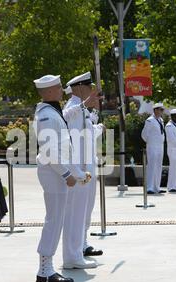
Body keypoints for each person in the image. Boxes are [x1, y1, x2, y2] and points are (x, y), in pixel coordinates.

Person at [33, 74, 91, 282]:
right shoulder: (47, 115)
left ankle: (46, 268)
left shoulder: (52, 111)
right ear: (48, 91)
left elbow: (65, 149)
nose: (61, 90)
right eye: (58, 87)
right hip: (53, 174)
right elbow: (50, 150)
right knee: (54, 220)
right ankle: (45, 270)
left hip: (57, 172)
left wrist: (77, 173)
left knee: (56, 220)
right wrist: (67, 175)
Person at [62, 71, 104, 269]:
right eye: (88, 87)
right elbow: (66, 124)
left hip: (87, 166)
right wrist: (85, 105)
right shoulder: (73, 107)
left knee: (84, 211)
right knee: (74, 213)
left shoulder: (82, 109)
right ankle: (73, 255)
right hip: (78, 169)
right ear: (79, 88)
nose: (90, 90)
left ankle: (79, 248)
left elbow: (85, 135)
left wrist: (98, 127)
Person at [141, 102, 166, 194]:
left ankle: (156, 187)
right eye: (160, 110)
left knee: (159, 166)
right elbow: (144, 134)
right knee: (151, 166)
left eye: (162, 110)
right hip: (152, 145)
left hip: (160, 145)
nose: (162, 111)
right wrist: (150, 141)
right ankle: (149, 187)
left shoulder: (161, 120)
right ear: (155, 110)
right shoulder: (150, 120)